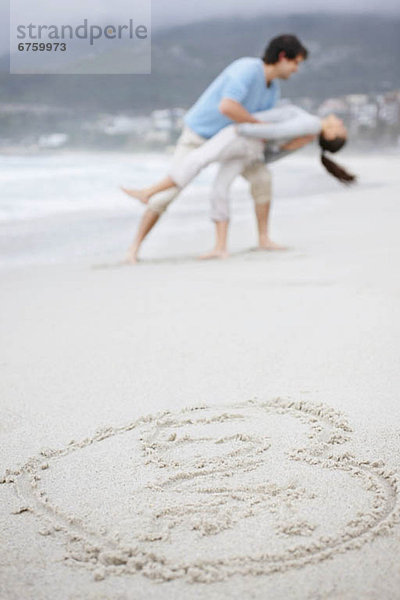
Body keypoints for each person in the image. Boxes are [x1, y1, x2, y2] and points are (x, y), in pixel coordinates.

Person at [122, 34, 309, 264]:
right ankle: (133, 249)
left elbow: (255, 128)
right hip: (200, 135)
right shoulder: (247, 69)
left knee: (262, 179)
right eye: (296, 62)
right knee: (169, 193)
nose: (296, 69)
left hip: (233, 142)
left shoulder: (273, 91)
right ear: (282, 56)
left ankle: (264, 238)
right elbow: (228, 107)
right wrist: (261, 126)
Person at [123, 105, 356, 258]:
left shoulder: (312, 124)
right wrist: (279, 144)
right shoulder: (309, 133)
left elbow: (276, 130)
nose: (340, 122)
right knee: (220, 185)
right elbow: (271, 153)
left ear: (332, 135)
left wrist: (239, 128)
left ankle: (148, 192)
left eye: (341, 129)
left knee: (197, 160)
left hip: (243, 135)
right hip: (253, 147)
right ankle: (220, 247)